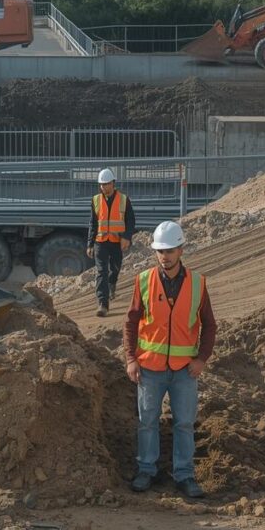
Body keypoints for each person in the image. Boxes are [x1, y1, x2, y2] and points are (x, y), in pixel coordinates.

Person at [124, 220, 215, 498]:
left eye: (170, 250)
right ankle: (146, 470)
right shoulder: (143, 281)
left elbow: (209, 325)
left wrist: (201, 358)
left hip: (184, 370)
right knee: (147, 421)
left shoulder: (198, 284)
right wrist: (130, 358)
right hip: (149, 367)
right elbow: (130, 322)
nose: (165, 256)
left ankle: (184, 475)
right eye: (160, 251)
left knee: (184, 423)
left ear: (181, 250)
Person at [86, 167, 135, 317]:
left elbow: (130, 220)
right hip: (100, 241)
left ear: (113, 183)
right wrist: (89, 244)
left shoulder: (124, 200)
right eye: (102, 184)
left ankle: (112, 284)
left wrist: (126, 237)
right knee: (101, 272)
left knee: (115, 268)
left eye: (107, 184)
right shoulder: (95, 200)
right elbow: (93, 223)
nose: (104, 187)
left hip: (116, 241)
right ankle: (103, 304)